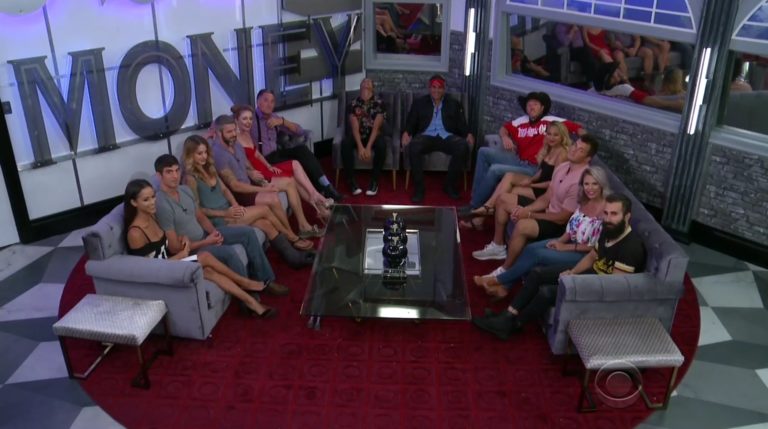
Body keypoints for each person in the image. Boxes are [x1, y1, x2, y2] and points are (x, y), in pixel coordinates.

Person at [472, 193, 646, 339]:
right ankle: (508, 314)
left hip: (598, 288)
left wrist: (575, 281)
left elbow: (612, 287)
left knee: (546, 291)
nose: (608, 219)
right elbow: (592, 256)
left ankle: (513, 324)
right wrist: (573, 271)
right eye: (605, 213)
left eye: (614, 214)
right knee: (537, 273)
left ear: (627, 216)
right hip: (590, 274)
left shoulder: (630, 248)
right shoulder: (609, 230)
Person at [153, 156, 292, 311]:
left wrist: (215, 233)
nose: (175, 175)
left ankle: (266, 280)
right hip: (193, 248)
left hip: (206, 235)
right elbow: (174, 247)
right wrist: (207, 241)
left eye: (177, 170)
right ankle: (249, 300)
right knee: (229, 253)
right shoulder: (161, 204)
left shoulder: (184, 190)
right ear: (159, 176)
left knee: (247, 233)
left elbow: (200, 216)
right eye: (169, 172)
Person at [124, 179, 277, 318]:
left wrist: (182, 238)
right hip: (160, 275)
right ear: (134, 202)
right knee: (205, 257)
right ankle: (246, 283)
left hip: (171, 264)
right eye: (146, 200)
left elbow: (163, 245)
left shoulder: (152, 216)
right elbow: (149, 269)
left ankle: (252, 303)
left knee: (209, 271)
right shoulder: (135, 233)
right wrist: (182, 254)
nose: (152, 202)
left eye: (153, 197)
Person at [474, 166, 610, 299]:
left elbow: (598, 248)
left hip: (585, 255)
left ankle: (497, 280)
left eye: (594, 184)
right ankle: (505, 287)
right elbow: (572, 228)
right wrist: (559, 241)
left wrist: (565, 247)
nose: (590, 188)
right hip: (569, 241)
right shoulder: (584, 201)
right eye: (586, 184)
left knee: (537, 255)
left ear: (602, 185)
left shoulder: (607, 210)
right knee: (529, 248)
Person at [181, 135, 317, 268]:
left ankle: (292, 257)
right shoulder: (190, 179)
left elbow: (225, 190)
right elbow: (197, 210)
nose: (204, 156)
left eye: (205, 152)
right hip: (218, 220)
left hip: (231, 211)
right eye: (199, 153)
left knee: (266, 224)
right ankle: (292, 238)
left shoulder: (210, 169)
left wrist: (235, 204)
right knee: (265, 210)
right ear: (190, 155)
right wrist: (224, 213)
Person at [472, 135, 599, 267]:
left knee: (522, 225)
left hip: (559, 224)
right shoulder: (563, 166)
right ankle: (498, 246)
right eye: (575, 145)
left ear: (588, 158)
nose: (573, 150)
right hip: (547, 210)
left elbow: (563, 218)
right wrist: (526, 209)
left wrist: (529, 215)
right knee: (503, 198)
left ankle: (506, 268)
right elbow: (546, 197)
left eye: (580, 150)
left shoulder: (582, 180)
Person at [210, 114, 324, 238]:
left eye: (234, 130)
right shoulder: (218, 154)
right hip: (241, 194)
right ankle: (289, 235)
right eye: (229, 132)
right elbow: (235, 186)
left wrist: (253, 173)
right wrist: (264, 189)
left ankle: (303, 226)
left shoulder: (235, 143)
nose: (233, 134)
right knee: (272, 197)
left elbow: (245, 163)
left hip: (250, 182)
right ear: (219, 133)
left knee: (289, 181)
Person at [460, 121, 572, 230]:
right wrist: (531, 180)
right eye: (549, 134)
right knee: (509, 176)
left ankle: (482, 215)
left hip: (544, 192)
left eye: (555, 135)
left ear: (562, 137)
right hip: (537, 184)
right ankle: (487, 209)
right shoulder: (549, 148)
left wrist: (532, 185)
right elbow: (541, 172)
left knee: (508, 191)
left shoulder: (562, 154)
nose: (551, 138)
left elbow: (554, 184)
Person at [230, 103, 332, 219]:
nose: (248, 122)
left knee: (295, 163)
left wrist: (269, 166)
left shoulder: (247, 134)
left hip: (264, 167)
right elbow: (237, 162)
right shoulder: (234, 139)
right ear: (236, 120)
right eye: (244, 119)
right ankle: (319, 205)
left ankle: (316, 198)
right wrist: (251, 173)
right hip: (258, 173)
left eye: (250, 119)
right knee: (293, 177)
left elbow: (257, 154)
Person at [253, 89, 342, 201]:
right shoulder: (251, 119)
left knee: (302, 150)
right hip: (264, 159)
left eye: (272, 101)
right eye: (266, 100)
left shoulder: (275, 117)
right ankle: (321, 191)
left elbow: (300, 131)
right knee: (297, 162)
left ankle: (326, 186)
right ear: (258, 102)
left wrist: (283, 121)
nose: (269, 104)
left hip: (276, 154)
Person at [401, 74, 475, 203]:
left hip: (446, 136)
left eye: (439, 87)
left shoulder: (453, 103)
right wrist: (407, 132)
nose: (436, 90)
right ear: (429, 88)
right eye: (434, 87)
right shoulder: (419, 103)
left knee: (462, 146)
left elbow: (461, 123)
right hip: (426, 136)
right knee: (414, 146)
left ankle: (449, 185)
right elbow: (411, 121)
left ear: (444, 89)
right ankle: (419, 189)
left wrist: (468, 133)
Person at [342, 78, 387, 196]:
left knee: (382, 145)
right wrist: (360, 147)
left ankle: (374, 181)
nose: (366, 83)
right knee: (345, 144)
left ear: (373, 87)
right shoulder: (353, 103)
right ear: (360, 86)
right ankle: (351, 181)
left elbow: (376, 127)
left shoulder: (380, 103)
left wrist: (368, 148)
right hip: (358, 134)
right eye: (363, 81)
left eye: (369, 82)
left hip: (374, 135)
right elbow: (354, 127)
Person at [593, 62, 685, 111]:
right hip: (645, 107)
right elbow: (648, 100)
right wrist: (673, 104)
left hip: (633, 105)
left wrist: (624, 79)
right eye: (615, 72)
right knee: (680, 98)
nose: (618, 72)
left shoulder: (594, 91)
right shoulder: (623, 89)